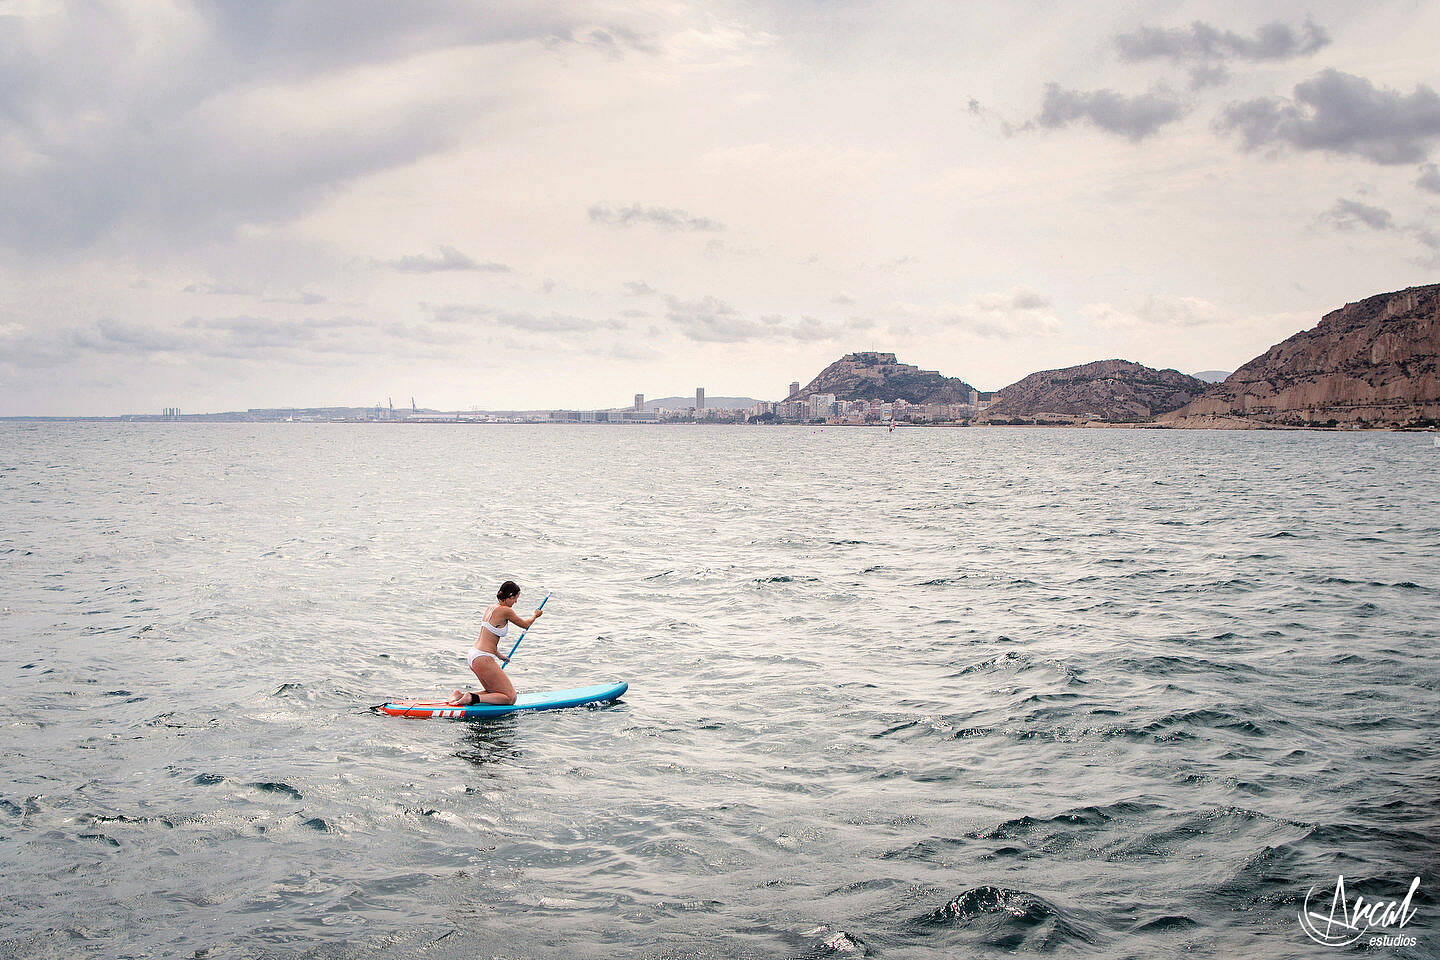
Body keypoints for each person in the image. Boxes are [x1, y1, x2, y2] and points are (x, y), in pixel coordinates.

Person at [447, 581, 543, 706]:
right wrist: (535, 615)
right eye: (515, 598)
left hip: (474, 654)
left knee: (494, 692)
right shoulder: (505, 610)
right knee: (510, 698)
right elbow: (525, 624)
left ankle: (459, 695)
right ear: (509, 596)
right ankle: (470, 697)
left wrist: (498, 655)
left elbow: (487, 635)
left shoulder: (491, 608)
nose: (516, 602)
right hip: (482, 657)